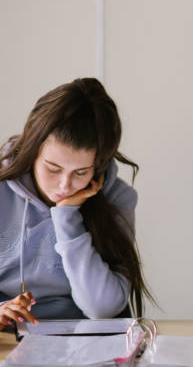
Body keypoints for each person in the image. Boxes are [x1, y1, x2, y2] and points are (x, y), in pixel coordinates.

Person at [0, 78, 151, 325]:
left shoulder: (117, 197)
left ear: (98, 167)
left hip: (86, 346)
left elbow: (103, 308)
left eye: (80, 173)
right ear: (32, 151)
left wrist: (67, 216)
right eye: (53, 168)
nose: (64, 186)